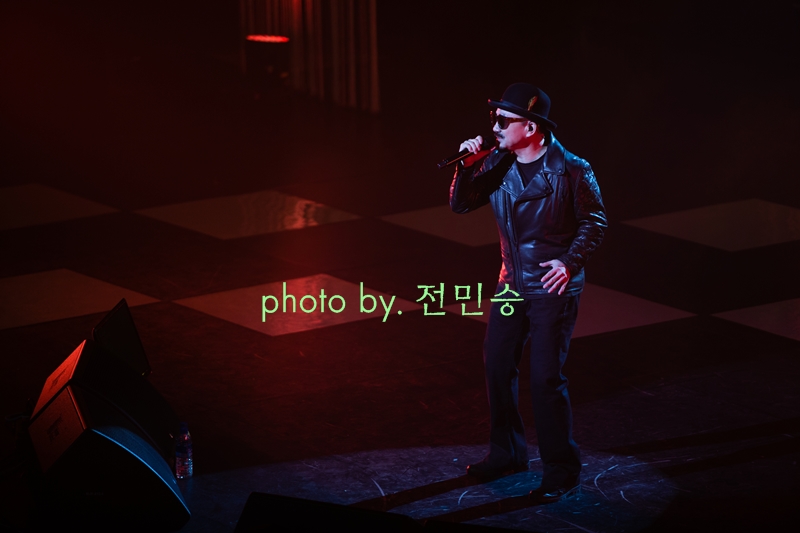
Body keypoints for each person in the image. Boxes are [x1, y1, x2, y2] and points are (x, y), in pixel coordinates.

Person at [450, 83, 607, 503]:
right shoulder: (497, 162)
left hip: (551, 287)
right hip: (511, 284)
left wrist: (569, 262)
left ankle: (561, 469)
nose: (495, 127)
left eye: (504, 120)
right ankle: (507, 454)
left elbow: (595, 222)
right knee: (497, 365)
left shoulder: (571, 169)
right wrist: (465, 167)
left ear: (532, 127)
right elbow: (462, 205)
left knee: (544, 379)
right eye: (494, 118)